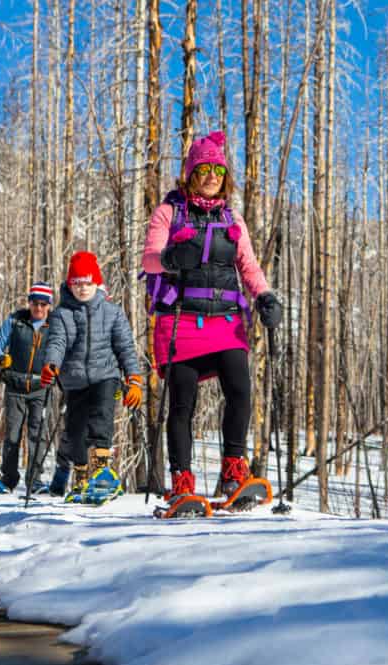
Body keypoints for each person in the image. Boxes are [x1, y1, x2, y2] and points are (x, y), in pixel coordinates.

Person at [142, 130, 282, 500]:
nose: (210, 177)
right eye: (203, 169)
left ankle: (234, 472)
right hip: (180, 320)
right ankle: (182, 483)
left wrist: (265, 296)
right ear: (190, 172)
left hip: (226, 321)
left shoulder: (232, 218)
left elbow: (248, 266)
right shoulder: (169, 212)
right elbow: (149, 259)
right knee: (182, 403)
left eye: (217, 171)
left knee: (240, 390)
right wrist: (171, 258)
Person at [40, 251, 143, 501]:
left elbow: (125, 347)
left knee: (101, 419)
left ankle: (101, 472)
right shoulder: (62, 314)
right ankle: (82, 476)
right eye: (77, 283)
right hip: (74, 380)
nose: (82, 288)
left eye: (87, 282)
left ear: (96, 282)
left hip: (105, 376)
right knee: (75, 433)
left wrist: (134, 379)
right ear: (69, 284)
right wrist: (51, 363)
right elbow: (56, 341)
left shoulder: (112, 313)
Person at [0, 282, 55, 494]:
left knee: (38, 435)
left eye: (44, 304)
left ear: (49, 305)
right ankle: (8, 480)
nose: (39, 308)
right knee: (13, 436)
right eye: (35, 303)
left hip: (40, 387)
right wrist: (0, 357)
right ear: (30, 302)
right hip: (15, 386)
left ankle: (34, 480)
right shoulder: (16, 321)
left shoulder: (54, 326)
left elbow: (62, 352)